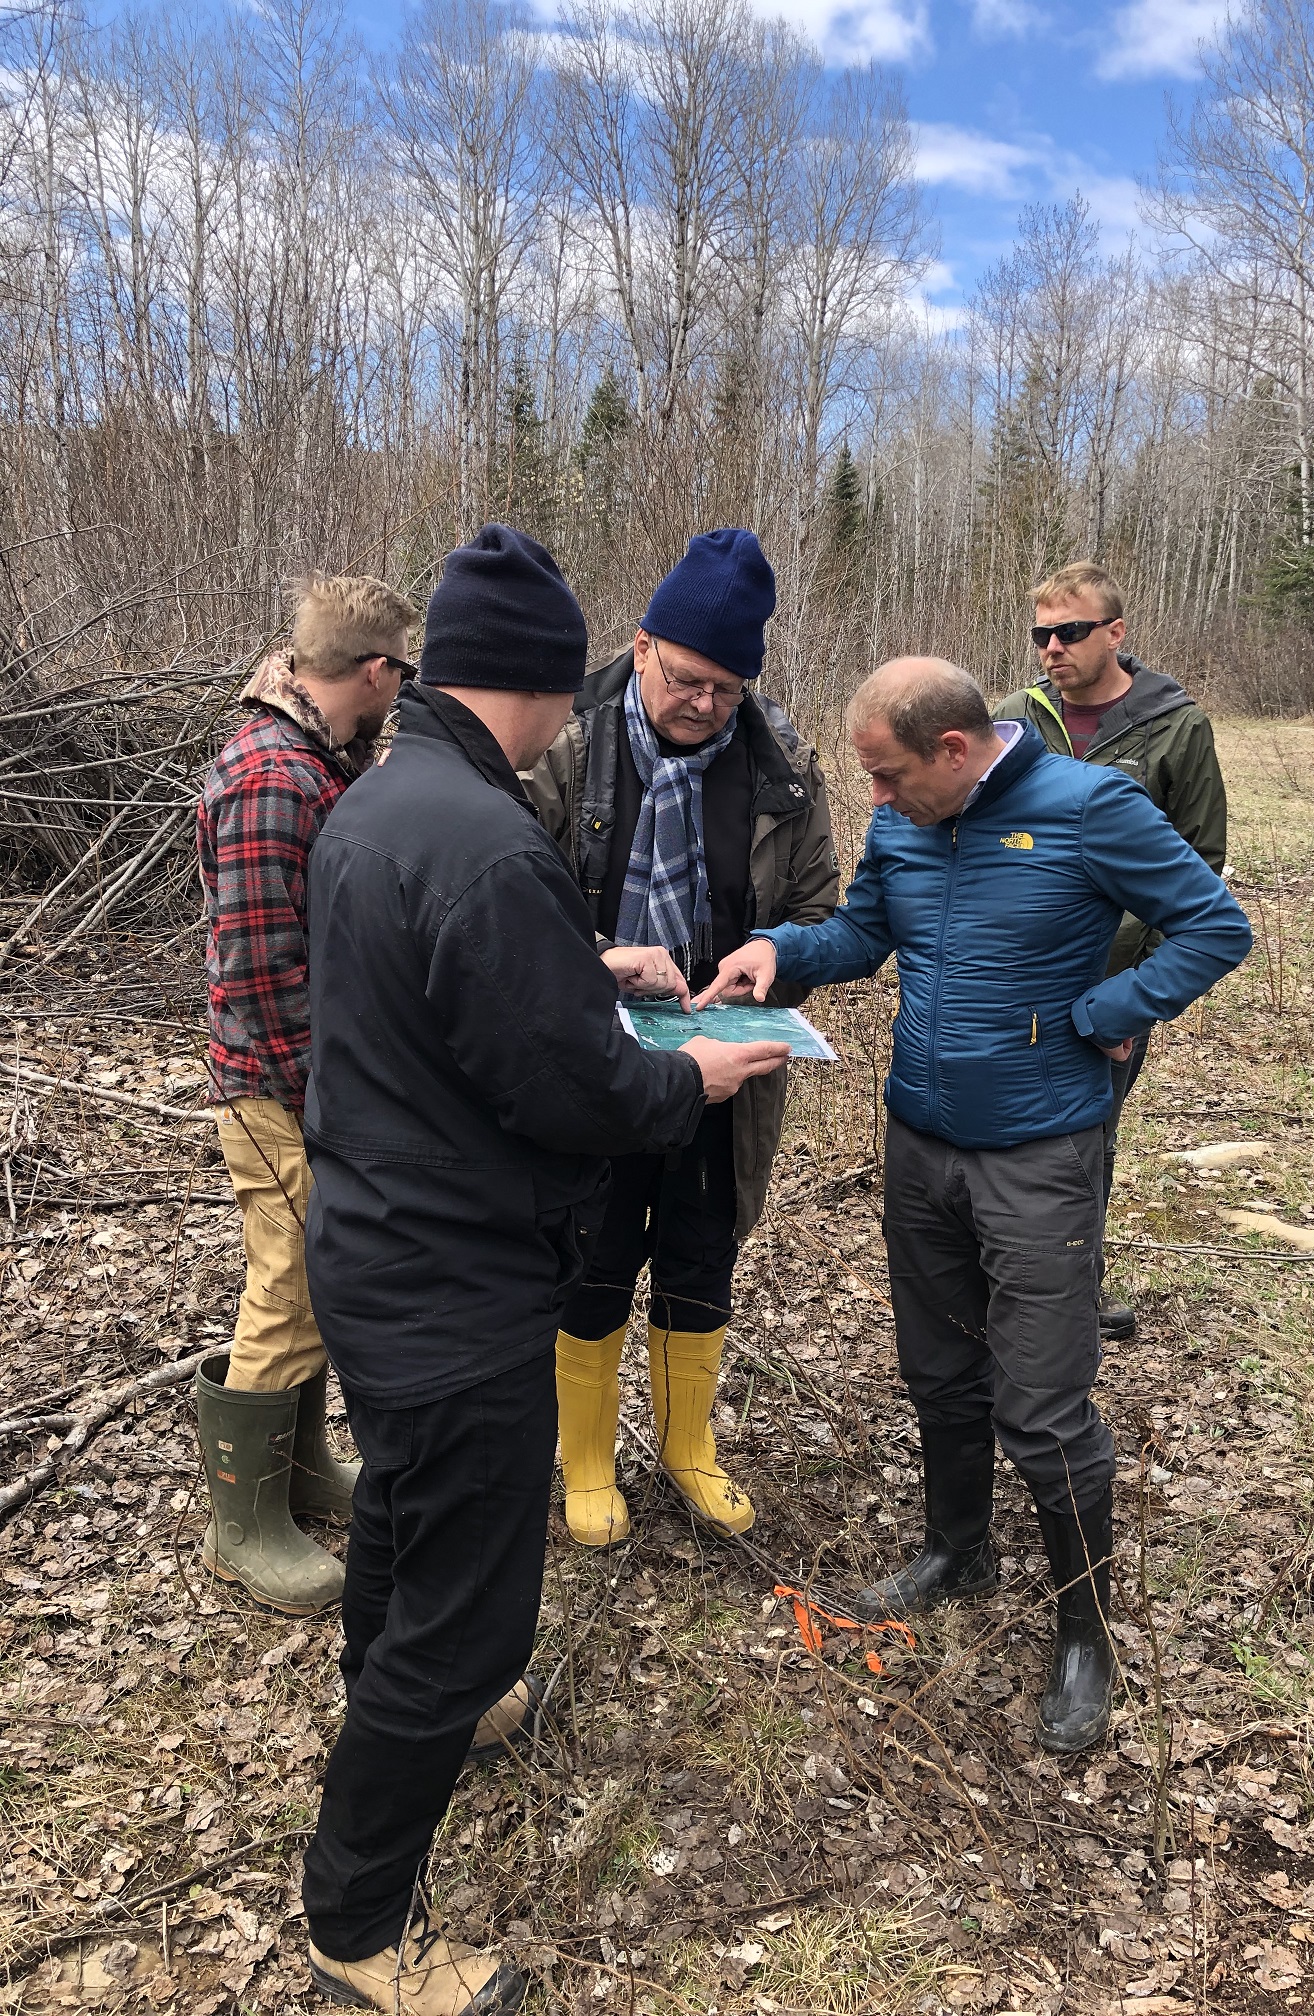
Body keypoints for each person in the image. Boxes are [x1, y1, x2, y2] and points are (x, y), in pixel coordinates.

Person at [298, 525, 789, 2015]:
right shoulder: (492, 834)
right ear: (522, 682)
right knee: (471, 1606)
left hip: (372, 1247)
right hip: (456, 1279)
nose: (579, 713)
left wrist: (588, 964)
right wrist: (688, 1082)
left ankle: (400, 1692)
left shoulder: (389, 802)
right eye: (563, 689)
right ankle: (359, 1929)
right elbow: (571, 1093)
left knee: (404, 1506)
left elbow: (457, 997)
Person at [698, 657, 1251, 1755]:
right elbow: (864, 932)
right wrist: (780, 947)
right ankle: (960, 1547)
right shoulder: (909, 821)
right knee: (941, 1369)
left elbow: (1212, 924)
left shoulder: (1092, 808)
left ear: (955, 750)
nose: (876, 800)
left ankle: (1084, 1630)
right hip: (922, 1140)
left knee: (1043, 1404)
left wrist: (1115, 1005)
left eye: (890, 775)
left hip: (1041, 1149)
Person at [525, 529, 838, 1548]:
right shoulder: (561, 744)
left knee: (703, 1256)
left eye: (727, 687)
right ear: (641, 642)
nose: (705, 702)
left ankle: (686, 1450)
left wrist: (773, 951)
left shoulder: (785, 764)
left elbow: (825, 908)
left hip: (726, 1063)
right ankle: (584, 1462)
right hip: (596, 1062)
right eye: (687, 678)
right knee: (596, 1251)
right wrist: (598, 960)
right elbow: (503, 909)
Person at [193, 574, 419, 1615]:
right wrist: (318, 1100)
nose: (401, 691)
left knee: (311, 1280)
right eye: (399, 672)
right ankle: (241, 1526)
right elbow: (259, 970)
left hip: (301, 1082)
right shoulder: (272, 778)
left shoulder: (313, 756)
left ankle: (299, 1468)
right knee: (286, 1286)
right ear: (371, 671)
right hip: (276, 1088)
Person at [994, 563, 1228, 1341]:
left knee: (1086, 1138)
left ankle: (1072, 1293)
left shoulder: (1175, 727)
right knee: (1002, 1132)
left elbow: (1200, 870)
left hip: (1109, 985)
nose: (1052, 648)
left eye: (1070, 632)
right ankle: (997, 1283)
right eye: (1041, 634)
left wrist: (1137, 992)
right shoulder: (1015, 718)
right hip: (1015, 975)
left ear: (1116, 633)